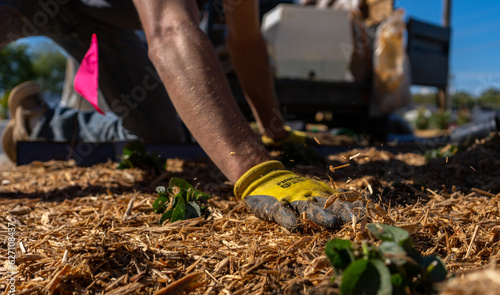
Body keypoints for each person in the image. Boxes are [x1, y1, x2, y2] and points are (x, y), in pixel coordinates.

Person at [0, 0, 365, 230]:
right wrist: (255, 170)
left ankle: (38, 122)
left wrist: (276, 131)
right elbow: (169, 29)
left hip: (93, 14)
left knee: (159, 132)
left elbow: (247, 41)